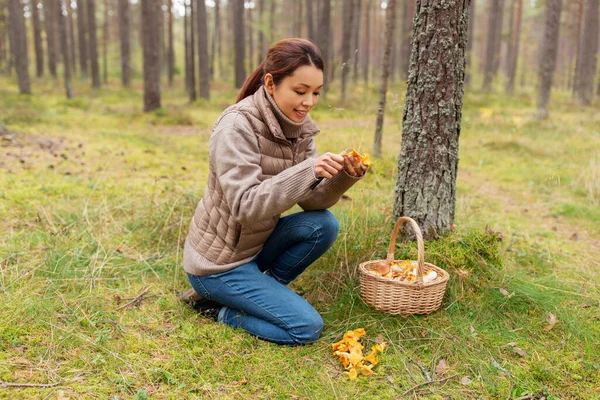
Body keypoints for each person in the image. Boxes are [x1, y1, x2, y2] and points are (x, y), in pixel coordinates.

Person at [182, 38, 368, 345]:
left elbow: (310, 201)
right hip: (217, 265)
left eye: (316, 93)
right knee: (305, 327)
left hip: (253, 249)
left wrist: (342, 178)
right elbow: (245, 206)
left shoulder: (300, 128)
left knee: (323, 224)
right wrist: (308, 170)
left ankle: (264, 292)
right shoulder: (236, 126)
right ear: (270, 83)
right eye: (300, 91)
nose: (309, 102)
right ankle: (224, 312)